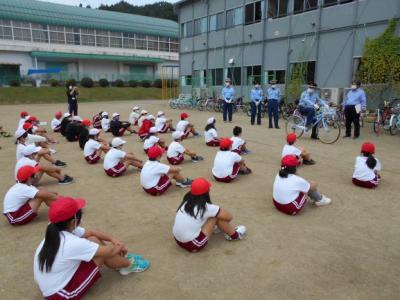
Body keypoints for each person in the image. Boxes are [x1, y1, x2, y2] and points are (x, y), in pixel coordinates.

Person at [33, 196, 150, 299]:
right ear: (74, 222)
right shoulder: (71, 242)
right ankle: (129, 265)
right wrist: (120, 245)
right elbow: (108, 252)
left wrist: (113, 239)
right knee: (101, 255)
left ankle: (121, 262)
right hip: (60, 295)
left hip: (51, 283)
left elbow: (91, 233)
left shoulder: (55, 228)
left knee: (93, 241)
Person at [172, 177, 247, 253]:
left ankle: (218, 228)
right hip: (193, 245)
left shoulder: (186, 201)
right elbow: (229, 217)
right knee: (216, 217)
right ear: (206, 192)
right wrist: (220, 223)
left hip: (178, 240)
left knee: (212, 216)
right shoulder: (206, 207)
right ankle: (235, 236)